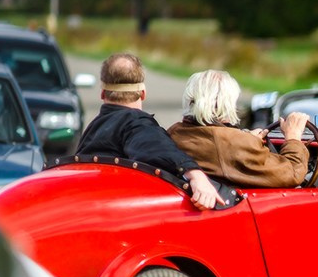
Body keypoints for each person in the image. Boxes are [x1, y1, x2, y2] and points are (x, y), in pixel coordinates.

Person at [75, 53, 225, 210]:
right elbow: (157, 148)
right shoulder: (135, 123)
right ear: (143, 93)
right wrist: (197, 176)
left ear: (102, 94)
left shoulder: (94, 129)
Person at [168, 69, 310, 188]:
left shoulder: (175, 132)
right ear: (228, 104)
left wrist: (247, 139)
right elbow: (292, 173)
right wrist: (293, 137)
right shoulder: (233, 144)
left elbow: (219, 147)